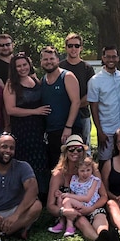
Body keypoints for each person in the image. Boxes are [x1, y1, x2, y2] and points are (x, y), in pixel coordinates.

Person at [47, 135, 120, 241]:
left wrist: (92, 208)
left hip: (92, 206)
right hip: (73, 211)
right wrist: (64, 212)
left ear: (83, 151)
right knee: (80, 220)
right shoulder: (58, 175)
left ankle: (104, 233)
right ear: (66, 152)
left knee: (99, 216)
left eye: (79, 149)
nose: (75, 152)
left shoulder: (92, 170)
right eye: (71, 149)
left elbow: (104, 196)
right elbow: (50, 206)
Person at [3, 52, 49, 201]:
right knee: (25, 161)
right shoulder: (11, 85)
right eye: (19, 66)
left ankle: (41, 193)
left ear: (29, 65)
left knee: (40, 159)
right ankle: (25, 194)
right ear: (14, 68)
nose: (22, 68)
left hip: (38, 128)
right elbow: (11, 110)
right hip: (22, 129)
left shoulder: (34, 79)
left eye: (24, 65)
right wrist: (35, 111)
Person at [40, 45, 81, 174]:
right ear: (41, 62)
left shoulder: (67, 76)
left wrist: (68, 127)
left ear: (58, 60)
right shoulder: (43, 81)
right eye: (45, 59)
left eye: (51, 59)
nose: (48, 62)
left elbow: (76, 102)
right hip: (52, 132)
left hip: (69, 130)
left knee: (74, 166)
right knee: (57, 168)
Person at [88, 45, 120, 168]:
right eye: (108, 57)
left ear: (118, 58)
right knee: (105, 162)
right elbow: (93, 108)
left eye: (114, 56)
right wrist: (99, 131)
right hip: (106, 129)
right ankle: (104, 187)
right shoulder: (95, 81)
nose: (111, 59)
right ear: (103, 58)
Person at [59, 33, 96, 150]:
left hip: (83, 115)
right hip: (63, 115)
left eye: (76, 45)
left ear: (81, 48)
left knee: (84, 148)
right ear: (66, 47)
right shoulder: (60, 66)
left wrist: (76, 105)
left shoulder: (87, 68)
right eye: (70, 46)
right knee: (64, 148)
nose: (73, 49)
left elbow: (91, 93)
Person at [49, 157, 102, 237]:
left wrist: (68, 196)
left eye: (88, 170)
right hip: (78, 202)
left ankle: (70, 226)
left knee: (67, 200)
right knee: (61, 198)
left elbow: (87, 198)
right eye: (82, 171)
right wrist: (61, 194)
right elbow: (72, 194)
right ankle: (61, 223)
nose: (85, 173)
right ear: (77, 171)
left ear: (92, 170)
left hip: (88, 204)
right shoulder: (74, 179)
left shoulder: (94, 180)